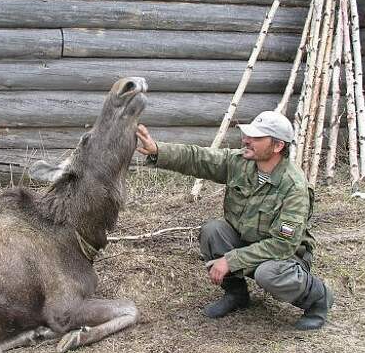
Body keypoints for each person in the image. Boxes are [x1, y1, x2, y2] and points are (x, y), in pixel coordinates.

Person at [135, 111, 333, 330]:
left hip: (285, 257)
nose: (246, 140)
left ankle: (318, 299)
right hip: (247, 241)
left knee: (268, 274)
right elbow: (198, 158)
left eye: (256, 138)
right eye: (248, 135)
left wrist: (231, 259)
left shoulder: (294, 187)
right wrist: (158, 150)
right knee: (213, 231)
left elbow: (283, 245)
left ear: (277, 146)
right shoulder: (241, 162)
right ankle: (237, 295)